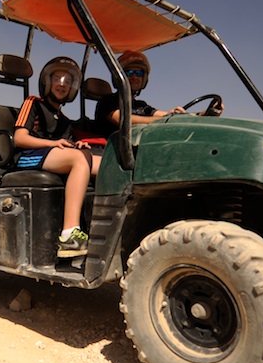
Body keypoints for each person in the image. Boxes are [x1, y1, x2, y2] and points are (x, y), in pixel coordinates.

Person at [12, 56, 100, 257]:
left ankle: (100, 225)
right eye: (57, 78)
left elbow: (66, 145)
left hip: (52, 156)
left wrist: (77, 145)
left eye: (68, 81)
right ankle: (69, 234)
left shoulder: (64, 120)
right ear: (47, 81)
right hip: (27, 157)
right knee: (79, 159)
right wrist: (54, 143)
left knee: (103, 163)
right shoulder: (33, 103)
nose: (62, 84)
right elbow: (19, 138)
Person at [94, 51, 222, 138]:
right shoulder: (107, 101)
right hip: (111, 153)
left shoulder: (141, 105)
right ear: (119, 76)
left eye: (138, 73)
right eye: (129, 72)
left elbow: (163, 115)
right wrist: (163, 121)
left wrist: (202, 114)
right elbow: (123, 120)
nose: (134, 77)